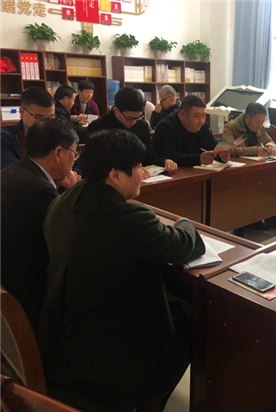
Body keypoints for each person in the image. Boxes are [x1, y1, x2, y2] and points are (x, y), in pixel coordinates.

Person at [39, 129, 206, 412]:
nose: (142, 173)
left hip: (63, 337)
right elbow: (186, 246)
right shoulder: (130, 219)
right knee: (189, 323)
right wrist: (186, 223)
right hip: (116, 349)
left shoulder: (61, 202)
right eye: (137, 167)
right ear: (115, 175)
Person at [1, 118, 80, 332]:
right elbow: (69, 241)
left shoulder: (10, 173)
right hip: (34, 297)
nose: (74, 161)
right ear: (58, 153)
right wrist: (72, 191)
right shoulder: (41, 191)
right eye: (74, 154)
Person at [87, 87, 178, 178]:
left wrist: (164, 162)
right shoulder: (98, 127)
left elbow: (150, 157)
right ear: (116, 110)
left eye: (138, 117)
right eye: (129, 118)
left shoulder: (142, 126)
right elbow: (97, 163)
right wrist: (132, 169)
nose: (134, 122)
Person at [153, 94, 230, 167]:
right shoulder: (166, 127)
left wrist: (221, 155)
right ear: (183, 114)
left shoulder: (202, 126)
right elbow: (168, 156)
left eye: (203, 116)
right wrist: (198, 159)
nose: (201, 120)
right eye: (197, 116)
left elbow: (212, 146)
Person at [1, 87, 55, 169]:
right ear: (22, 112)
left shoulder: (58, 133)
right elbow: (12, 172)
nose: (46, 123)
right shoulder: (5, 138)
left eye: (51, 117)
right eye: (39, 117)